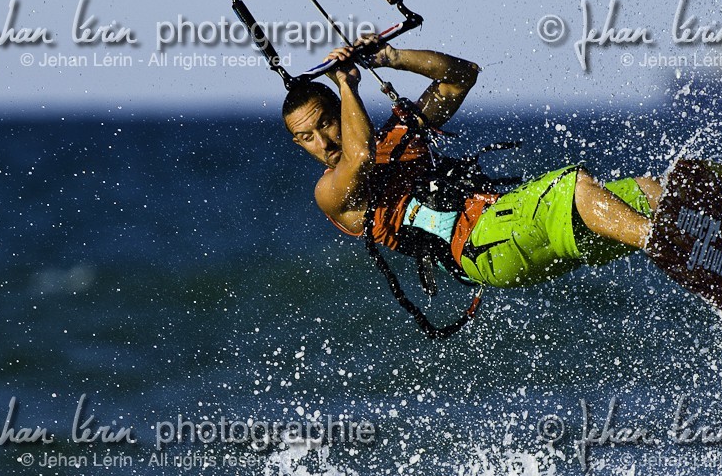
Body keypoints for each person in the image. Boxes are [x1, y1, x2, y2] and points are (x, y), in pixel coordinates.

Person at [282, 43, 662, 290]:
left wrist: (390, 58)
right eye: (307, 137)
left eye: (325, 123)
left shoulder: (399, 138)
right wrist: (348, 84)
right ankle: (668, 246)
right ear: (297, 143)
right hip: (482, 244)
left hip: (510, 232)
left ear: (340, 114)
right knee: (574, 186)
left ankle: (714, 250)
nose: (324, 141)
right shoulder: (331, 193)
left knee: (648, 190)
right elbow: (360, 156)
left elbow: (461, 77)